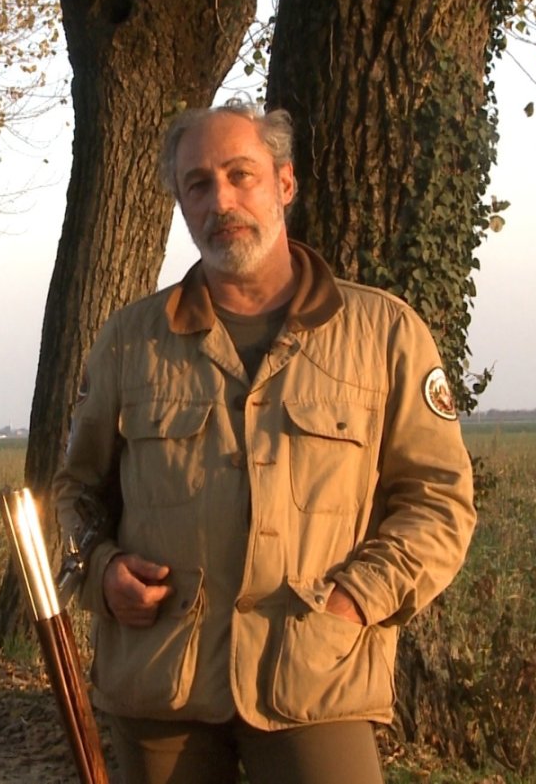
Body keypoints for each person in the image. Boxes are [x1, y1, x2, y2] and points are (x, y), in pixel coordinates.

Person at [54, 100, 477, 784]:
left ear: (284, 182)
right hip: (161, 679)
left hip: (318, 675)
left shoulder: (385, 335)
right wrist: (100, 571)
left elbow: (439, 504)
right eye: (197, 184)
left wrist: (354, 600)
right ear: (180, 203)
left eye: (239, 174)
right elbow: (75, 492)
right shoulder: (129, 342)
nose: (220, 199)